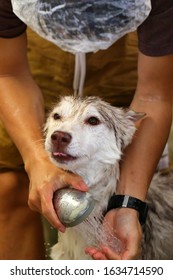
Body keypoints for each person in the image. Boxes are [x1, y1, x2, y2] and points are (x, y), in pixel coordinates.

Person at [0, 0, 173, 260]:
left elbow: (154, 97)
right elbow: (8, 73)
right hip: (35, 52)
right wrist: (35, 160)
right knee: (8, 185)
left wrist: (128, 203)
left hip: (128, 56)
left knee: (133, 181)